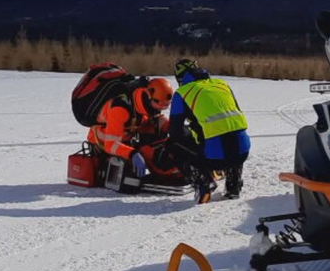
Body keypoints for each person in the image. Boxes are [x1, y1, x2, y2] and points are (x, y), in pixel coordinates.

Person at [168, 59, 250, 204]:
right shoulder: (222, 84)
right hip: (242, 152)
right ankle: (234, 185)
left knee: (174, 144)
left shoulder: (182, 93)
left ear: (180, 78)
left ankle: (203, 183)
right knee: (231, 132)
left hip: (215, 157)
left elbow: (175, 131)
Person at [87, 77, 174, 179]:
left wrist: (176, 129)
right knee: (144, 151)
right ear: (148, 96)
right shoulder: (120, 108)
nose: (159, 109)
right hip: (102, 142)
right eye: (158, 105)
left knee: (158, 127)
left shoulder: (147, 105)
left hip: (125, 138)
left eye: (165, 106)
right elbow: (110, 145)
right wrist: (133, 153)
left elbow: (158, 121)